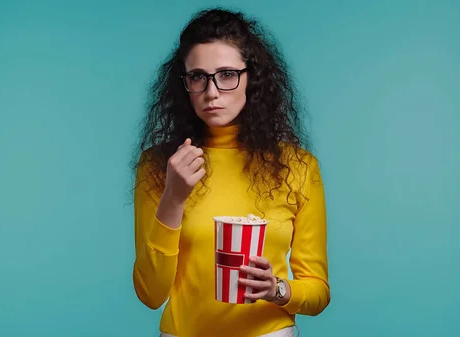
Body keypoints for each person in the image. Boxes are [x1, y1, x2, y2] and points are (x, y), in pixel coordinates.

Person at [131, 7, 330, 337]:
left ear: (252, 78)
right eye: (198, 76)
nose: (211, 92)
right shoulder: (159, 165)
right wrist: (173, 197)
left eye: (226, 75)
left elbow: (318, 292)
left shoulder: (298, 166)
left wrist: (277, 289)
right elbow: (151, 295)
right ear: (184, 84)